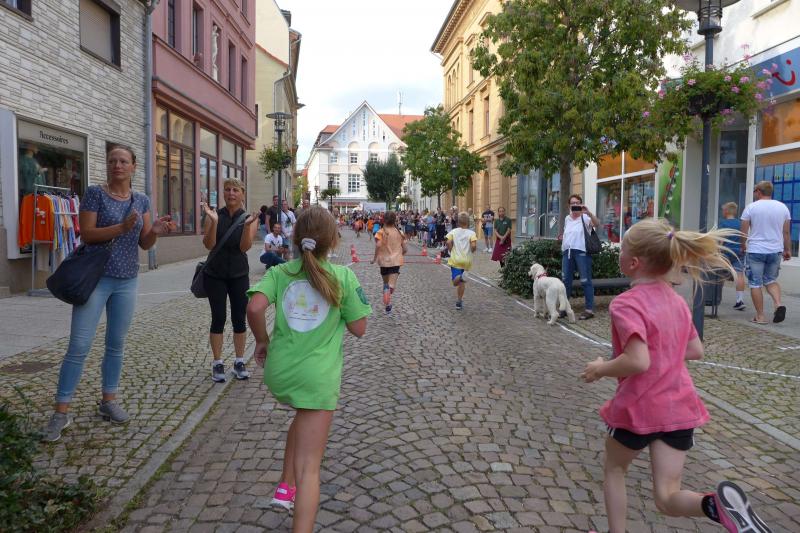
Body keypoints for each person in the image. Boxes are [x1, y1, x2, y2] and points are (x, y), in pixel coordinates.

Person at [581, 218, 771, 533]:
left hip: (639, 407)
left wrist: (601, 368)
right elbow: (695, 349)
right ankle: (715, 505)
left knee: (614, 470)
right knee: (667, 497)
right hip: (679, 409)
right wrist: (663, 352)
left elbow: (638, 361)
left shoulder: (626, 304)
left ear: (633, 262)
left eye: (622, 248)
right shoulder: (677, 302)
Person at [246, 207, 371, 532]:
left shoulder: (280, 273)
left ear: (295, 237)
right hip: (316, 378)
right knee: (310, 469)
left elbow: (255, 307)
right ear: (333, 241)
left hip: (280, 371)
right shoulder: (343, 277)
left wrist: (261, 341)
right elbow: (359, 329)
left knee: (302, 417)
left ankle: (285, 487)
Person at [42, 145, 176, 442]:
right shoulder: (95, 193)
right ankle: (61, 411)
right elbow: (87, 233)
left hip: (127, 280)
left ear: (134, 166)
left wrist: (154, 230)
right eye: (113, 160)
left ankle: (109, 400)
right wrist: (121, 227)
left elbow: (144, 244)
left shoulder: (141, 200)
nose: (117, 165)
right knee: (79, 345)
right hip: (95, 280)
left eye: (123, 161)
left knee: (116, 344)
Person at [200, 178, 259, 383]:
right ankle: (217, 362)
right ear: (223, 193)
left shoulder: (249, 218)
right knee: (218, 318)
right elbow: (209, 245)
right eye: (227, 190)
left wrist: (246, 227)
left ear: (242, 193)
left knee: (239, 318)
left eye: (235, 190)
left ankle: (239, 361)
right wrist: (214, 222)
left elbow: (244, 248)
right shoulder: (214, 215)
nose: (231, 193)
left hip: (238, 274)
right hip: (215, 274)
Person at [741, 181, 791, 324]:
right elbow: (786, 232)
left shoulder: (751, 207)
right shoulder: (782, 207)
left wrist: (742, 245)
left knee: (755, 283)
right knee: (770, 280)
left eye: (754, 191)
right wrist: (787, 249)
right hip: (775, 250)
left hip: (756, 250)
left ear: (758, 191)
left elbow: (743, 231)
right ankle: (778, 304)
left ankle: (760, 316)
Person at [562, 194, 600, 320]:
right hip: (567, 253)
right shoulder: (567, 218)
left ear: (580, 204)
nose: (575, 205)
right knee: (566, 281)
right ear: (569, 205)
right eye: (572, 203)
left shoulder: (585, 217)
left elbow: (597, 224)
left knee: (585, 280)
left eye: (577, 203)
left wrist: (588, 213)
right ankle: (564, 308)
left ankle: (589, 310)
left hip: (582, 253)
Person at [371, 211, 407, 314]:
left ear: (384, 220)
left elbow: (378, 245)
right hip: (395, 261)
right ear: (395, 220)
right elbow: (405, 249)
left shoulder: (380, 232)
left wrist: (374, 258)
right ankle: (388, 297)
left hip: (383, 261)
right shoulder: (400, 233)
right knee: (391, 285)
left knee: (385, 283)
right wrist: (401, 254)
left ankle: (387, 305)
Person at [446, 212, 478, 311]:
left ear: (458, 222)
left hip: (456, 260)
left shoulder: (454, 231)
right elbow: (473, 245)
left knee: (455, 282)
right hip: (466, 261)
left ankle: (460, 277)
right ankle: (459, 301)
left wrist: (450, 250)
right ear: (468, 222)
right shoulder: (472, 233)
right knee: (462, 283)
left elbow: (448, 241)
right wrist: (472, 250)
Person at [719, 202, 746, 310]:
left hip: (725, 252)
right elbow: (743, 237)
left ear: (726, 211)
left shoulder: (723, 223)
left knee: (719, 274)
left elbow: (721, 239)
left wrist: (717, 251)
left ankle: (716, 296)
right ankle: (740, 300)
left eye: (723, 210)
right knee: (739, 275)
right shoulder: (740, 223)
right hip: (738, 252)